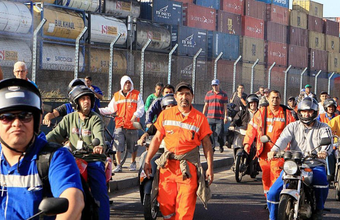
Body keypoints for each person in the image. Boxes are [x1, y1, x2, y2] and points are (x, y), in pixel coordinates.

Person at [0, 78, 84, 219]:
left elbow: (73, 200)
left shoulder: (55, 157)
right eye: (6, 117)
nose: (16, 123)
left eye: (25, 116)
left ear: (36, 120)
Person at [144, 82, 213, 219]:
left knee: (185, 209)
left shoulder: (200, 118)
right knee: (165, 205)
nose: (184, 97)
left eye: (187, 94)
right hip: (167, 168)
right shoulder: (165, 114)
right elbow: (157, 139)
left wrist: (210, 167)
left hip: (188, 170)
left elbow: (206, 144)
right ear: (175, 97)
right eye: (181, 94)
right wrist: (147, 160)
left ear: (192, 97)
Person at [46, 85, 109, 220]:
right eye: (83, 99)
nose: (87, 101)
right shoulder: (69, 119)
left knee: (100, 189)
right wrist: (39, 143)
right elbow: (54, 135)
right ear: (76, 102)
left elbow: (99, 134)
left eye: (89, 99)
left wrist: (99, 146)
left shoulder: (95, 118)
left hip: (92, 158)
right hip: (74, 159)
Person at [267, 97, 332, 220]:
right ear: (299, 112)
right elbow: (283, 139)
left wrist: (323, 151)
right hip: (293, 164)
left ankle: (318, 209)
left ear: (314, 112)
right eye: (303, 111)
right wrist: (274, 150)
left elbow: (327, 142)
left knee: (321, 181)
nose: (306, 114)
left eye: (309, 111)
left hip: (314, 163)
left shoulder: (324, 127)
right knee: (272, 193)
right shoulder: (292, 126)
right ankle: (272, 217)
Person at [243, 90, 295, 197]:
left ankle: (275, 197)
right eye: (272, 98)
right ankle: (269, 199)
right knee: (266, 176)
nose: (274, 100)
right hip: (264, 151)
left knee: (276, 175)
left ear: (280, 99)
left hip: (280, 152)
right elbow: (252, 128)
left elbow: (295, 131)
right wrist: (247, 143)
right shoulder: (261, 112)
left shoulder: (287, 114)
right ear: (268, 99)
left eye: (277, 98)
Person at [100, 75, 144, 172]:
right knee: (117, 145)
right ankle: (119, 165)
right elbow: (110, 109)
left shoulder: (136, 94)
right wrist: (99, 110)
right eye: (125, 83)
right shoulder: (116, 96)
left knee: (133, 146)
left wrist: (135, 115)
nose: (127, 85)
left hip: (132, 126)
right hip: (120, 124)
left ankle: (133, 163)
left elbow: (141, 108)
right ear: (122, 84)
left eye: (129, 83)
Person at [229, 94, 259, 163]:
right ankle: (235, 161)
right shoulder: (243, 112)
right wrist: (232, 125)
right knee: (234, 139)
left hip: (255, 134)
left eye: (255, 103)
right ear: (248, 104)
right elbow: (236, 119)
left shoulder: (260, 113)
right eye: (251, 103)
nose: (253, 105)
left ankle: (256, 163)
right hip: (243, 132)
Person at [202, 79, 228, 153]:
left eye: (216, 85)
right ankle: (212, 147)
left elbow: (225, 106)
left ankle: (221, 145)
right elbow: (206, 105)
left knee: (219, 133)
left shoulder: (223, 94)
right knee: (210, 134)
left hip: (219, 118)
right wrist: (203, 115)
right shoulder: (208, 94)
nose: (214, 87)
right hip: (210, 117)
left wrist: (225, 116)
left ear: (219, 85)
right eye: (213, 85)